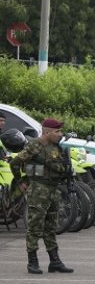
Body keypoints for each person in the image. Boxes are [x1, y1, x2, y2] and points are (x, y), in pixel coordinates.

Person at [10, 118, 74, 275]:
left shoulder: (56, 147)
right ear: (47, 132)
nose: (60, 134)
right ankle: (32, 262)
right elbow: (15, 163)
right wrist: (20, 182)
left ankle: (55, 261)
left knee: (51, 227)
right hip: (39, 189)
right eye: (57, 131)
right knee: (34, 227)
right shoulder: (34, 145)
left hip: (53, 190)